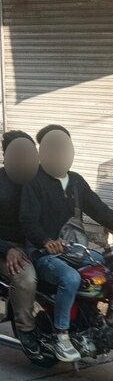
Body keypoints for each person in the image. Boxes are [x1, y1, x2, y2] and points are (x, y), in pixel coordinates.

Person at [20, 126, 113, 363]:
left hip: (75, 250)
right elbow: (28, 221)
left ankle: (108, 320)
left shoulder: (76, 181)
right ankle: (62, 334)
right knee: (70, 278)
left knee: (112, 269)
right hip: (44, 254)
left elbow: (99, 209)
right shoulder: (33, 183)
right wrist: (46, 242)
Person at [0, 131, 43, 358]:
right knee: (26, 277)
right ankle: (26, 329)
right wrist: (7, 249)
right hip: (6, 248)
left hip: (34, 243)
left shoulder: (39, 178)